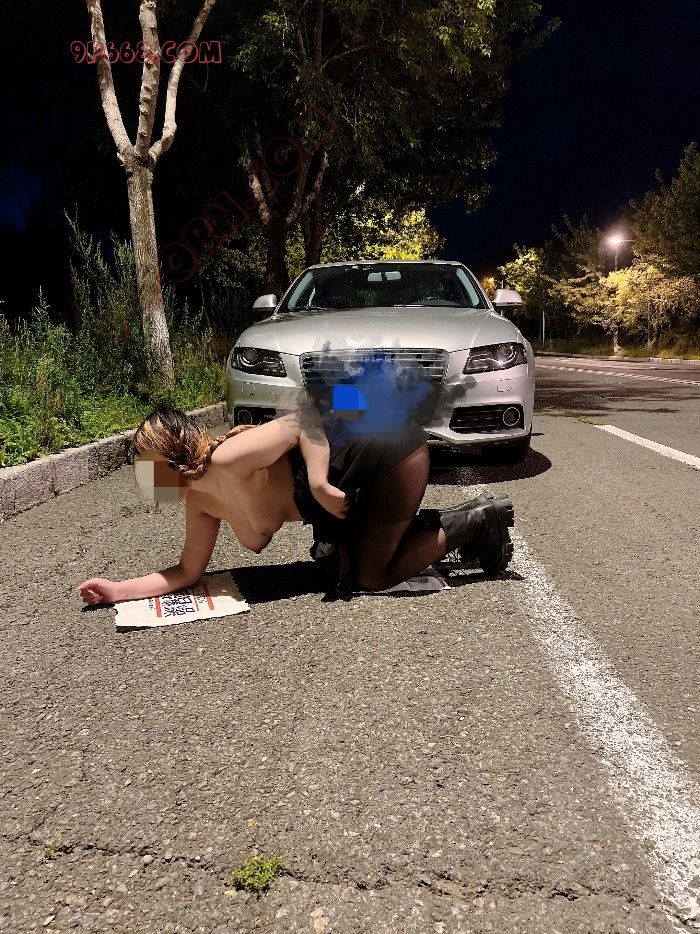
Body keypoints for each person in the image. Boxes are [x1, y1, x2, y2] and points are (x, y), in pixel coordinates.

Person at [77, 404, 515, 605]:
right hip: (356, 484)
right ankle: (456, 523)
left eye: (146, 467)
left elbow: (308, 416)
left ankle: (480, 522)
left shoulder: (229, 458)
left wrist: (319, 483)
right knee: (343, 563)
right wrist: (117, 590)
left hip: (390, 451)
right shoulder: (200, 504)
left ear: (171, 460)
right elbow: (187, 572)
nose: (145, 482)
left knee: (371, 576)